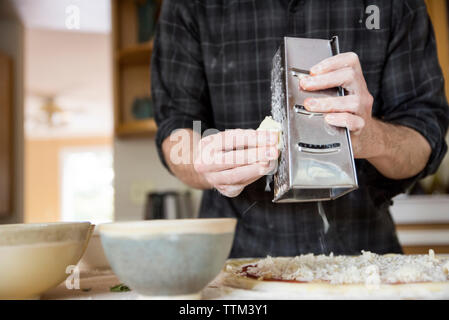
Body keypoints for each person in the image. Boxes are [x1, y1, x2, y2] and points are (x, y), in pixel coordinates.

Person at [151, 0, 449, 258]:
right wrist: (203, 161)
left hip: (363, 261)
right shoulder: (190, 5)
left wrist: (371, 137)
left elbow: (425, 135)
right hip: (234, 261)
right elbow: (175, 125)